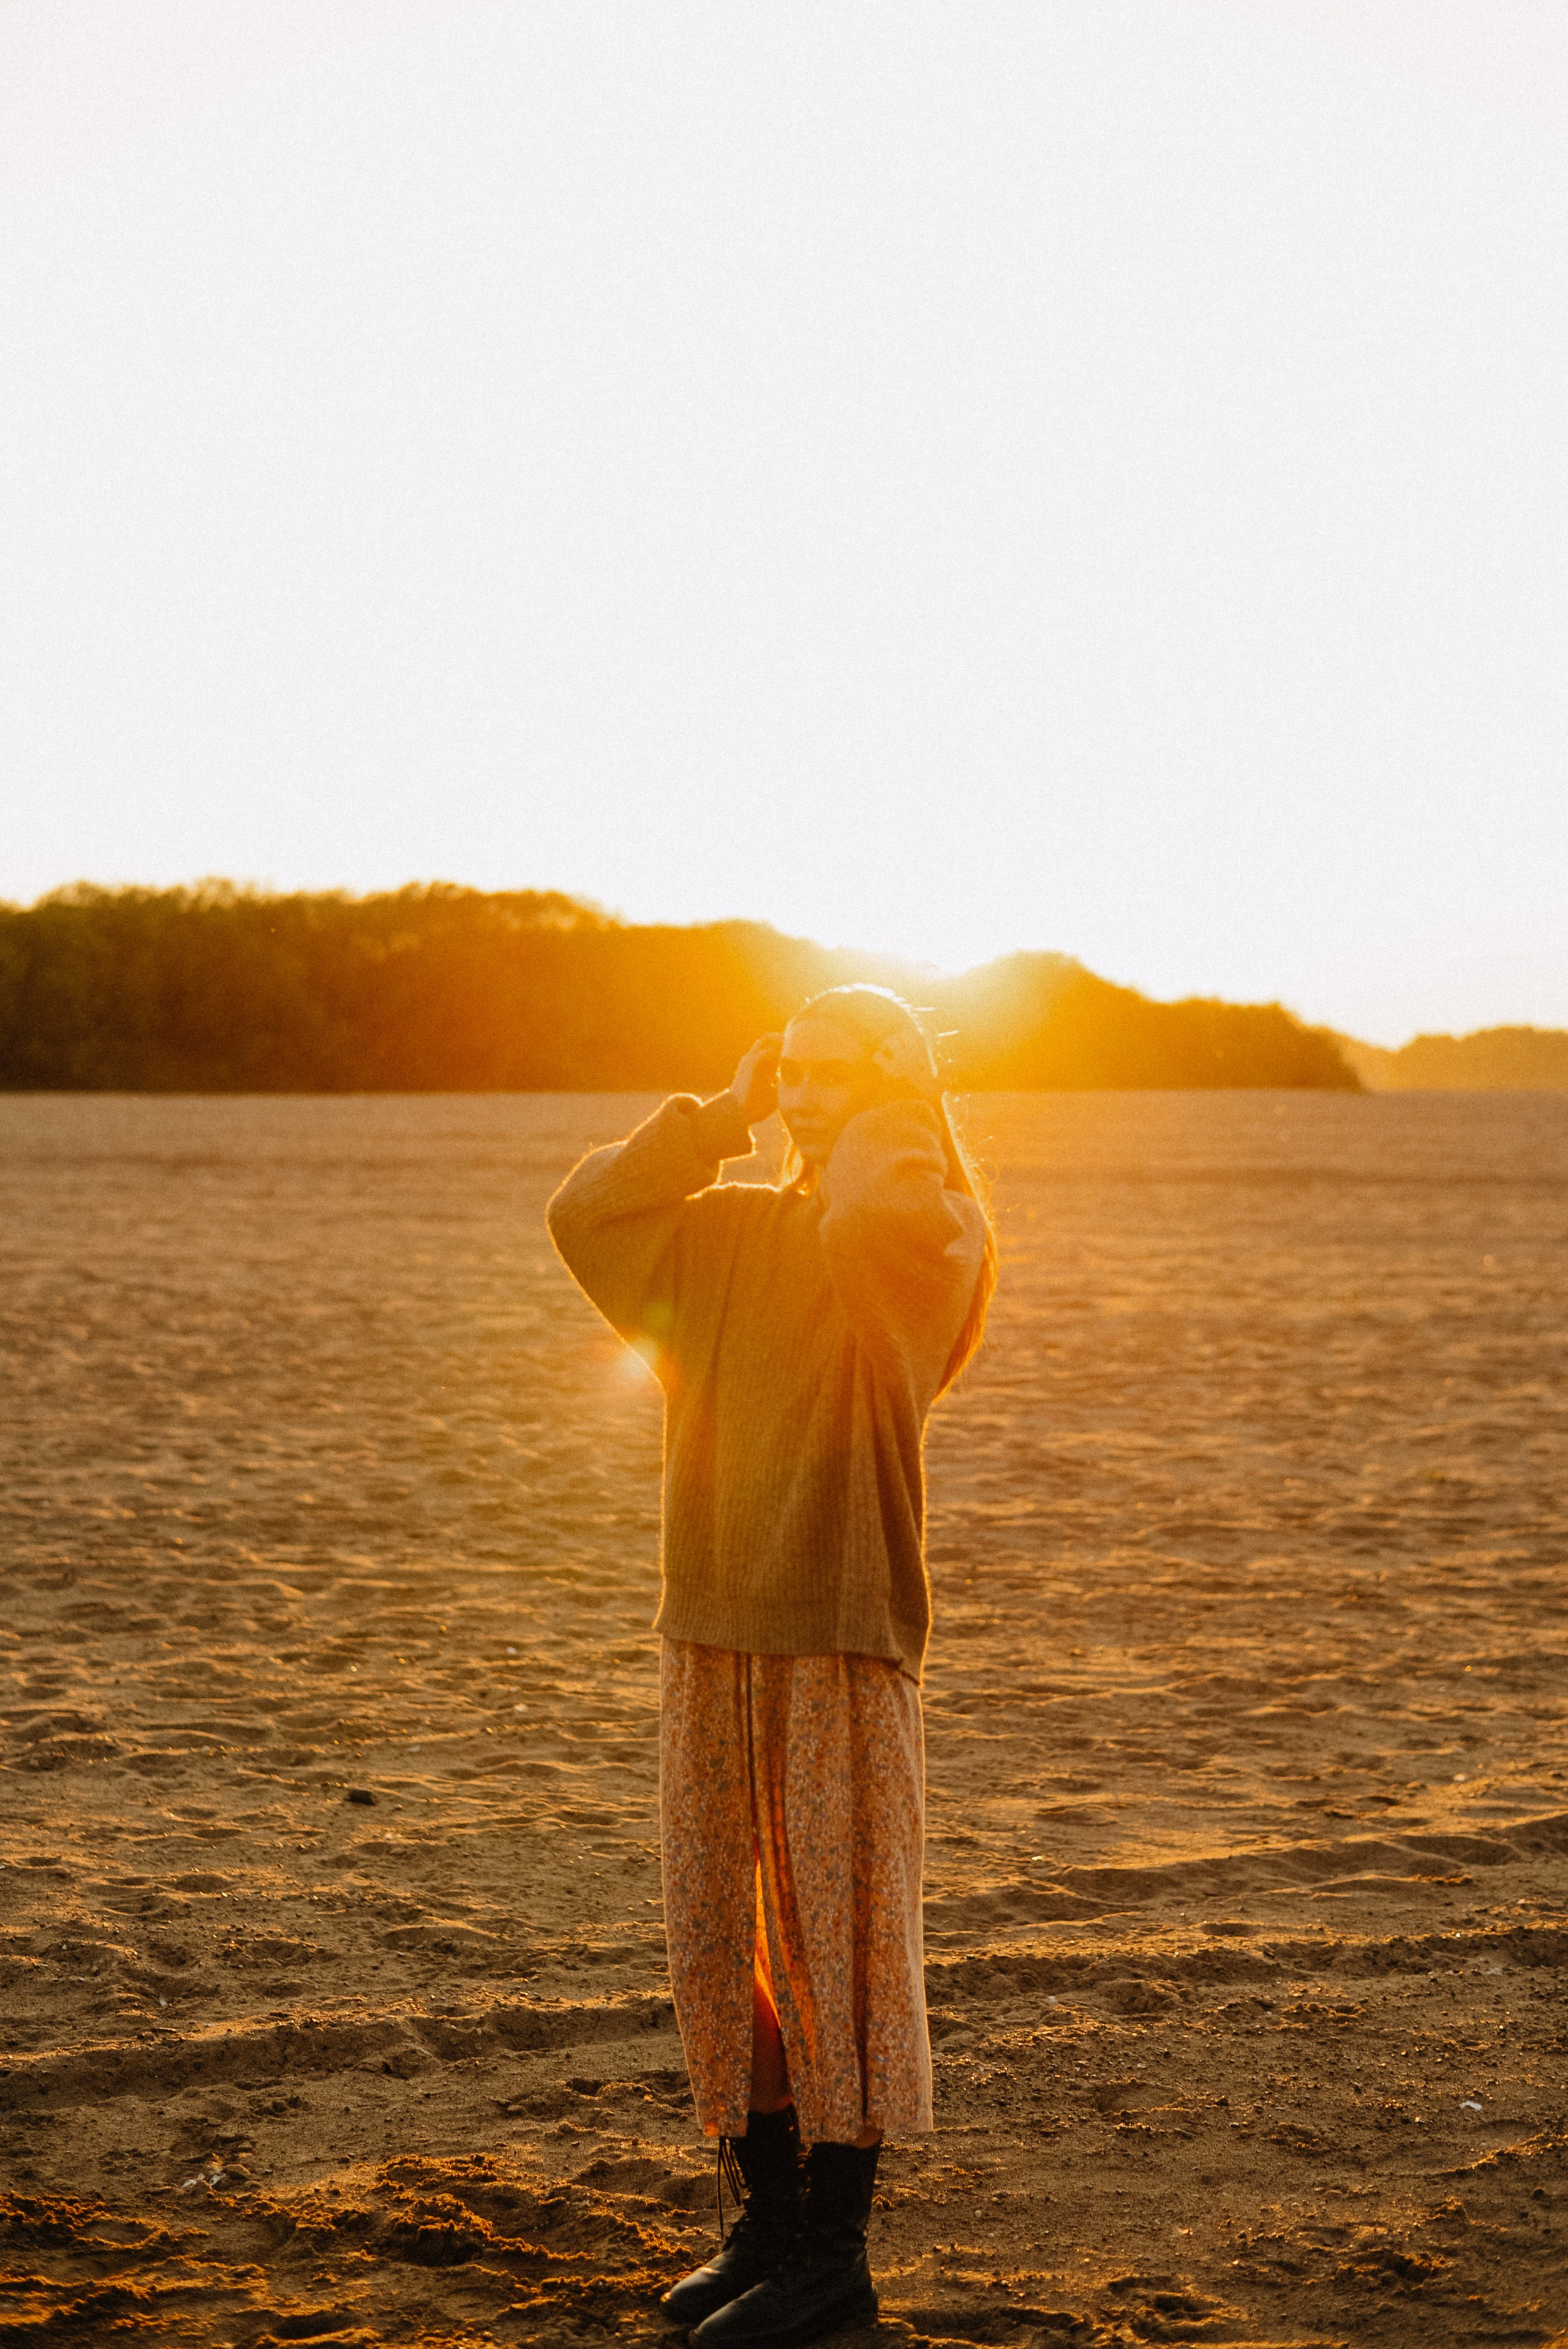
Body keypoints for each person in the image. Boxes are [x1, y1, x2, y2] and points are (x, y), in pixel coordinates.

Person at [546, 984, 997, 2348]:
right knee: (716, 1935)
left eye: (825, 1072)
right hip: (710, 1623)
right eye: (785, 1067)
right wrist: (723, 1118)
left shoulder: (922, 1236)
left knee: (838, 1948)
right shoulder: (726, 1231)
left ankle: (833, 2252)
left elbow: (864, 1209)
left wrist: (890, 1103)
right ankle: (769, 2216)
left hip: (840, 1630)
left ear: (893, 1088)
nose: (798, 1091)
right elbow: (584, 1216)